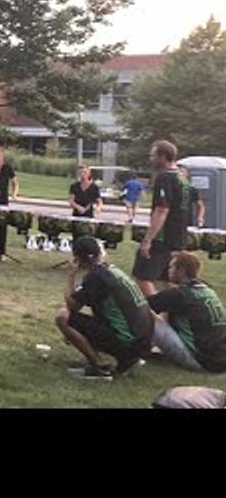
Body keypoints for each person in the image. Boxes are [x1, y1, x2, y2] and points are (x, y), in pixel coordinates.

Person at [54, 235, 154, 379]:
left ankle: (100, 367)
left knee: (63, 317)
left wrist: (71, 275)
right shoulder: (113, 271)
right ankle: (130, 359)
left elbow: (72, 306)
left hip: (128, 342)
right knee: (96, 316)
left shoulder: (96, 277)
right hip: (143, 340)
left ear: (77, 259)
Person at [148, 251, 226, 373]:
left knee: (145, 313)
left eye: (171, 267)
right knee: (169, 311)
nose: (168, 270)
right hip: (220, 358)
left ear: (181, 271)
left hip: (202, 362)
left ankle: (133, 351)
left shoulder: (180, 295)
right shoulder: (207, 290)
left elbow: (142, 305)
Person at [134, 140, 191, 297]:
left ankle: (156, 311)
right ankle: (173, 310)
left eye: (153, 155)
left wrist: (148, 240)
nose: (151, 159)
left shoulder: (165, 178)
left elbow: (161, 210)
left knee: (143, 277)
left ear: (163, 156)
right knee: (170, 279)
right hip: (179, 237)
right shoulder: (183, 179)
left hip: (162, 238)